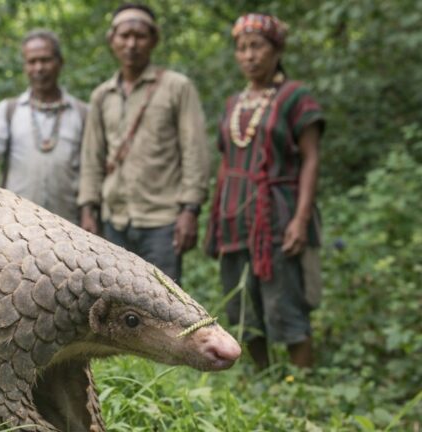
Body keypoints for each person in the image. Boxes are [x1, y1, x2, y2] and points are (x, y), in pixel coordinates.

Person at [204, 13, 325, 369]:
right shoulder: (233, 103)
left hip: (277, 214)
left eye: (257, 46)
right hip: (234, 218)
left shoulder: (295, 97)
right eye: (241, 48)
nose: (249, 56)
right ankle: (264, 379)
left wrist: (301, 220)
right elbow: (226, 162)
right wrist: (215, 220)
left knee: (284, 303)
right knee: (241, 307)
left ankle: (301, 387)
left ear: (276, 50)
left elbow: (311, 159)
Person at [77, 4, 210, 283]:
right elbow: (92, 156)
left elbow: (194, 152)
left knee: (165, 307)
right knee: (116, 300)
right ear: (111, 40)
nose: (131, 44)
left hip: (162, 220)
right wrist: (88, 209)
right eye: (124, 36)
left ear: (154, 39)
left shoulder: (177, 87)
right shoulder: (103, 95)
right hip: (114, 219)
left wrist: (190, 210)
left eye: (140, 36)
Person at [0, 29, 86, 225]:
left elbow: (91, 171)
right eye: (32, 62)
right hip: (16, 225)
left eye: (45, 60)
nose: (39, 68)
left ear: (60, 62)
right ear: (25, 66)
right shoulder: (9, 110)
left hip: (70, 227)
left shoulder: (82, 113)